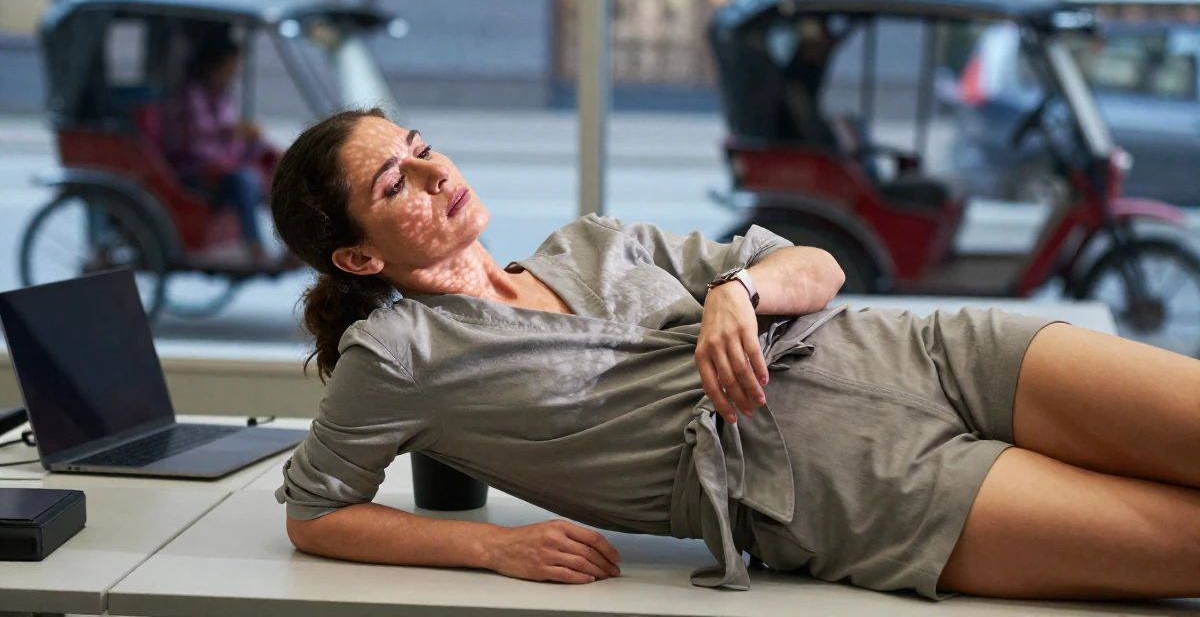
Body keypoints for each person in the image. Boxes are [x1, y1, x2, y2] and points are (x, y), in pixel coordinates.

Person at [268, 108, 1200, 601]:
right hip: (848, 486)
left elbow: (820, 265)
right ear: (359, 256)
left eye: (425, 149)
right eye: (400, 183)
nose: (439, 174)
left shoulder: (590, 241)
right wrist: (489, 548)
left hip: (925, 352)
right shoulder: (395, 354)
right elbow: (316, 512)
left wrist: (737, 290)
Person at [165, 34, 277, 268]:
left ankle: (290, 240)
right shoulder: (190, 95)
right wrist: (233, 131)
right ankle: (253, 243)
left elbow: (233, 135)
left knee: (276, 169)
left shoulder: (223, 95)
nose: (233, 73)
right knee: (245, 179)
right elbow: (198, 135)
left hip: (224, 164)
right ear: (213, 65)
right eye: (229, 67)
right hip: (194, 167)